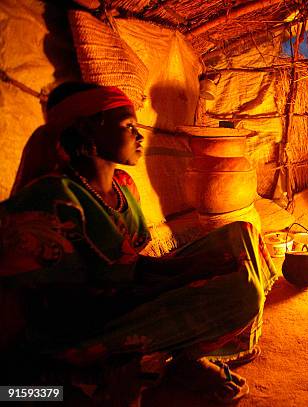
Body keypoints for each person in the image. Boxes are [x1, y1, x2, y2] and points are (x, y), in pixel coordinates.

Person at [0, 82, 278, 404]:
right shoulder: (54, 198)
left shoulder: (123, 186)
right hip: (82, 328)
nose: (139, 134)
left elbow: (134, 263)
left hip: (125, 296)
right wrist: (185, 276)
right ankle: (119, 371)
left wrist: (188, 267)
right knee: (238, 292)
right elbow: (73, 303)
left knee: (240, 235)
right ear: (88, 132)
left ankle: (180, 359)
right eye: (128, 126)